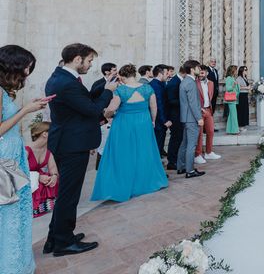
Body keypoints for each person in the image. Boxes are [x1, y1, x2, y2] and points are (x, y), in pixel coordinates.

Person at [45, 43, 115, 257]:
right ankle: (63, 243)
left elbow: (83, 102)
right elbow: (93, 109)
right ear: (77, 59)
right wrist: (108, 92)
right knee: (69, 195)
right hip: (72, 144)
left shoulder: (61, 78)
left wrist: (102, 88)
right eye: (89, 60)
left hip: (67, 141)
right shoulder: (66, 83)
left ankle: (55, 238)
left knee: (66, 193)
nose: (90, 64)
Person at [0, 45, 48, 273]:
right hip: (4, 160)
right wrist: (25, 110)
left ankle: (17, 262)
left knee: (17, 212)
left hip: (11, 156)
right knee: (9, 214)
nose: (28, 72)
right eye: (26, 66)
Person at [91, 64, 168, 201]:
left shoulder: (121, 90)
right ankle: (145, 182)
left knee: (124, 153)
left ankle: (124, 184)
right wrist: (153, 121)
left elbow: (111, 109)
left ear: (123, 76)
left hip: (124, 124)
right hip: (144, 122)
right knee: (144, 152)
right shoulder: (147, 88)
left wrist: (105, 113)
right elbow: (153, 107)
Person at [177, 60, 206, 178]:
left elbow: (190, 103)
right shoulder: (191, 82)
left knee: (184, 143)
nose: (200, 70)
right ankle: (190, 171)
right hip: (191, 118)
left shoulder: (185, 81)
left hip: (186, 117)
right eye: (198, 68)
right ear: (192, 69)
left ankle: (181, 167)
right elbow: (192, 103)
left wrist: (200, 109)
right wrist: (199, 117)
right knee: (191, 145)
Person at [26, 121, 59, 218]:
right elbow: (17, 171)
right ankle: (32, 208)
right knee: (40, 179)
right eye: (54, 131)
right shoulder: (27, 150)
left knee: (52, 178)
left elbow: (53, 169)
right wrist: (38, 177)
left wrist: (54, 177)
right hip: (25, 178)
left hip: (36, 179)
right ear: (44, 134)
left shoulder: (47, 152)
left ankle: (45, 205)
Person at [195, 66, 221, 162]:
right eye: (199, 73)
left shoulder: (211, 83)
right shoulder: (194, 83)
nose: (201, 75)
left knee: (210, 131)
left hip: (208, 110)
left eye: (202, 73)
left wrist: (209, 109)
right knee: (200, 134)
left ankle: (209, 152)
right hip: (199, 111)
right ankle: (198, 154)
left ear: (206, 73)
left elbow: (210, 97)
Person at [165, 67, 184, 170]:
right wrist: (184, 101)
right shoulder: (174, 82)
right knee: (175, 138)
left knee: (178, 137)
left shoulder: (179, 80)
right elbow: (171, 100)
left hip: (179, 114)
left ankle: (176, 159)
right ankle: (171, 161)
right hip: (174, 115)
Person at [149, 64, 170, 156]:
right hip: (158, 121)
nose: (168, 75)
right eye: (166, 73)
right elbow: (158, 104)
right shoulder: (155, 85)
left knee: (159, 144)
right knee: (157, 144)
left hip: (159, 121)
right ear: (160, 74)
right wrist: (164, 120)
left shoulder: (160, 84)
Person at [224, 66, 240, 134]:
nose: (236, 72)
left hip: (234, 99)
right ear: (232, 71)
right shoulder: (229, 78)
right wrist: (233, 85)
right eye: (236, 70)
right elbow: (228, 88)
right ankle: (235, 130)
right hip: (231, 99)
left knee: (231, 115)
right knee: (234, 115)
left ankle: (230, 130)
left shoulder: (233, 78)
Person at [205, 58, 220, 129]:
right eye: (212, 61)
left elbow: (216, 82)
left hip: (215, 93)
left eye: (215, 62)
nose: (213, 63)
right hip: (208, 93)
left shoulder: (216, 71)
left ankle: (210, 126)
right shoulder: (206, 70)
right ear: (208, 62)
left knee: (212, 110)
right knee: (207, 110)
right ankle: (206, 127)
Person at [236, 65, 250, 131]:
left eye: (246, 69)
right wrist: (247, 88)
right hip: (241, 95)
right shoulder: (239, 78)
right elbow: (238, 87)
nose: (246, 71)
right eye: (245, 70)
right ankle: (240, 125)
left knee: (245, 110)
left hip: (245, 95)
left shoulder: (245, 78)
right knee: (241, 110)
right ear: (241, 71)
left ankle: (244, 124)